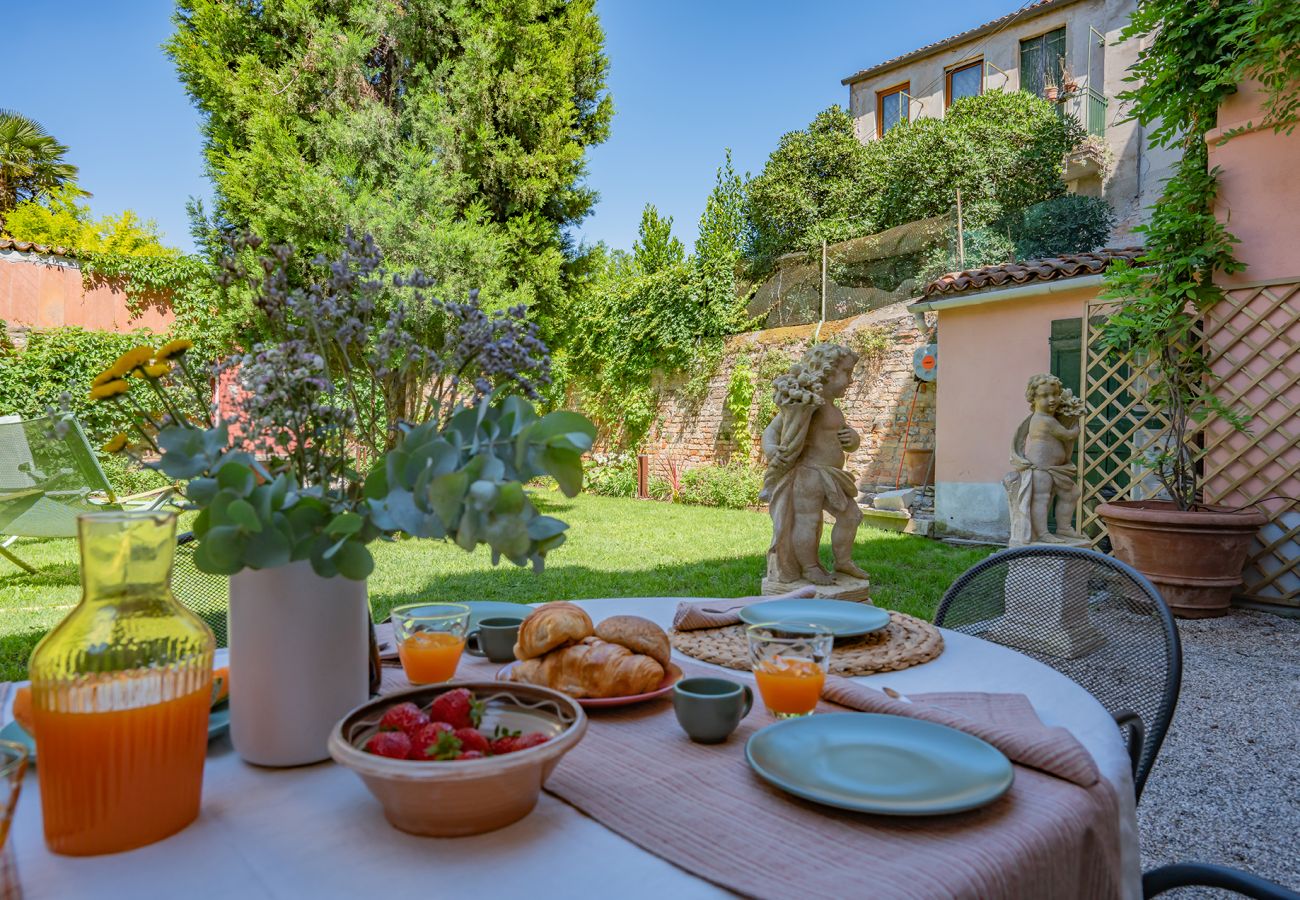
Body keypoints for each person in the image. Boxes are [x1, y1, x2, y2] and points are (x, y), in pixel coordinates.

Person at [760, 343, 868, 587]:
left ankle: (843, 561)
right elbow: (771, 431)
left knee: (852, 516)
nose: (851, 380)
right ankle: (809, 567)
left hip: (831, 475)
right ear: (826, 372)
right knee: (809, 521)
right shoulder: (806, 405)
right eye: (847, 373)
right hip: (808, 475)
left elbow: (845, 441)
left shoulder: (834, 410)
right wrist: (771, 449)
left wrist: (853, 439)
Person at [1007, 373, 1085, 545]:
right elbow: (1067, 435)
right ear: (1033, 398)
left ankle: (1064, 528)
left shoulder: (1050, 418)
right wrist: (1075, 426)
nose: (1052, 399)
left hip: (1055, 468)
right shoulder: (1043, 420)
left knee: (1072, 493)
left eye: (1055, 394)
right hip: (1041, 468)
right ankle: (1042, 533)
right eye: (1044, 396)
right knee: (1041, 499)